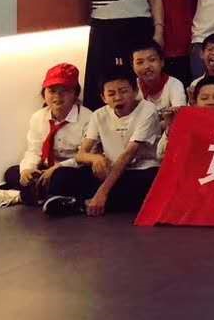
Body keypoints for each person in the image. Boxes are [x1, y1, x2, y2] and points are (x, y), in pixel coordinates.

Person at [42, 69, 161, 218]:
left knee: (146, 186)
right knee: (61, 175)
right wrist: (95, 158)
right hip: (109, 170)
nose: (118, 97)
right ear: (103, 97)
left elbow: (128, 154)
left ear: (135, 91)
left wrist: (102, 193)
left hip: (140, 170)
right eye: (111, 94)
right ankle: (79, 201)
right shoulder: (99, 115)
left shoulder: (147, 110)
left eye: (123, 91)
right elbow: (81, 154)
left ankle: (78, 203)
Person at [0, 64, 89, 209]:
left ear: (75, 94)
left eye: (64, 91)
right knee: (12, 173)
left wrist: (56, 168)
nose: (57, 96)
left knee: (61, 178)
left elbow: (84, 158)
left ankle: (21, 196)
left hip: (69, 169)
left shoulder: (88, 118)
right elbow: (34, 150)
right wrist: (27, 170)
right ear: (44, 93)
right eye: (52, 91)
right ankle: (44, 196)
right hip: (45, 169)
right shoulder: (38, 117)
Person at [132, 40, 186, 126]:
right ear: (133, 67)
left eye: (152, 60)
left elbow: (178, 117)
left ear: (162, 62)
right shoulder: (131, 88)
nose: (147, 66)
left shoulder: (175, 84)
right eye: (140, 62)